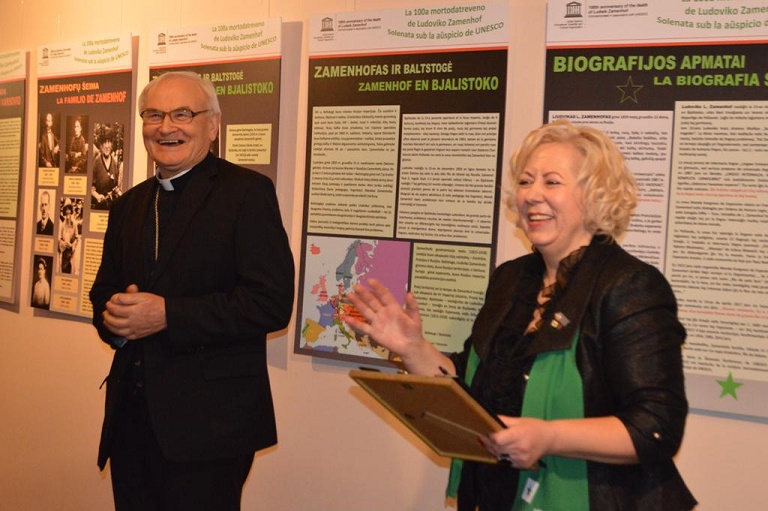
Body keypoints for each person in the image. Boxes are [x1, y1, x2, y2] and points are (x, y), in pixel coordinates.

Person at [345, 119, 696, 510]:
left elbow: (657, 426)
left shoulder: (630, 285)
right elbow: (475, 387)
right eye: (526, 181)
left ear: (594, 195)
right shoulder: (510, 279)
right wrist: (413, 348)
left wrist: (549, 437)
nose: (532, 195)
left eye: (552, 182)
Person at [89, 71, 295, 511]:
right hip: (131, 423)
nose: (166, 127)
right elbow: (103, 290)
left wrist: (168, 315)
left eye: (182, 114)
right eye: (154, 115)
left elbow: (271, 303)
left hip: (210, 427)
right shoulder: (129, 204)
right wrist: (117, 320)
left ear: (213, 125)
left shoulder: (247, 194)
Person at [91, 126, 122, 210]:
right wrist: (97, 196)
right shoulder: (96, 162)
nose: (107, 146)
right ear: (101, 146)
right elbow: (90, 188)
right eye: (105, 142)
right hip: (98, 206)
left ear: (111, 145)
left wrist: (118, 192)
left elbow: (116, 186)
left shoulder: (115, 163)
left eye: (109, 142)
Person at [58, 202, 79, 274]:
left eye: (69, 213)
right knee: (64, 269)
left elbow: (77, 237)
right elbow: (60, 238)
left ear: (71, 213)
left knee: (72, 269)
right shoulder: (63, 225)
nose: (68, 216)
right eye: (66, 214)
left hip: (71, 251)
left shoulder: (74, 224)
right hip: (65, 251)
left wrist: (72, 245)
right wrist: (63, 243)